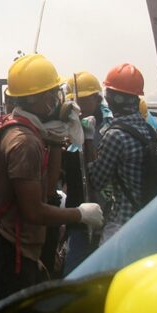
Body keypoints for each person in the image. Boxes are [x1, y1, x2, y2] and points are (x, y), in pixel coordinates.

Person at [0, 55, 103, 306]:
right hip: (10, 254)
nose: (58, 99)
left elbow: (47, 187)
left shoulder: (15, 128)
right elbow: (33, 211)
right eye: (54, 93)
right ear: (43, 98)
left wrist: (55, 141)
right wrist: (80, 214)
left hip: (12, 249)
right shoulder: (25, 142)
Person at [87, 63, 153, 243]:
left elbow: (96, 180)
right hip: (149, 219)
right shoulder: (148, 130)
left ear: (115, 99)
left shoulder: (115, 135)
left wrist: (87, 141)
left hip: (123, 222)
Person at [61, 71, 112, 274]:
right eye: (76, 101)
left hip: (104, 210)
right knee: (74, 271)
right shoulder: (71, 126)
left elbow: (98, 173)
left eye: (84, 99)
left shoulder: (107, 129)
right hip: (78, 208)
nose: (80, 106)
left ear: (97, 98)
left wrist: (89, 140)